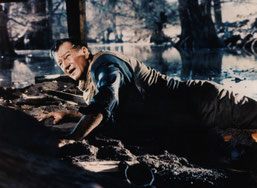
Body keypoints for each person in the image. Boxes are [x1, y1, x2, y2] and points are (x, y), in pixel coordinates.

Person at [37, 38, 257, 141]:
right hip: (193, 116)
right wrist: (68, 114)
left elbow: (105, 101)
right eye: (60, 62)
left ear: (84, 51)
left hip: (205, 103)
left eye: (67, 56)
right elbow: (108, 113)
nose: (64, 64)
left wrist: (73, 137)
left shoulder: (104, 64)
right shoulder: (92, 78)